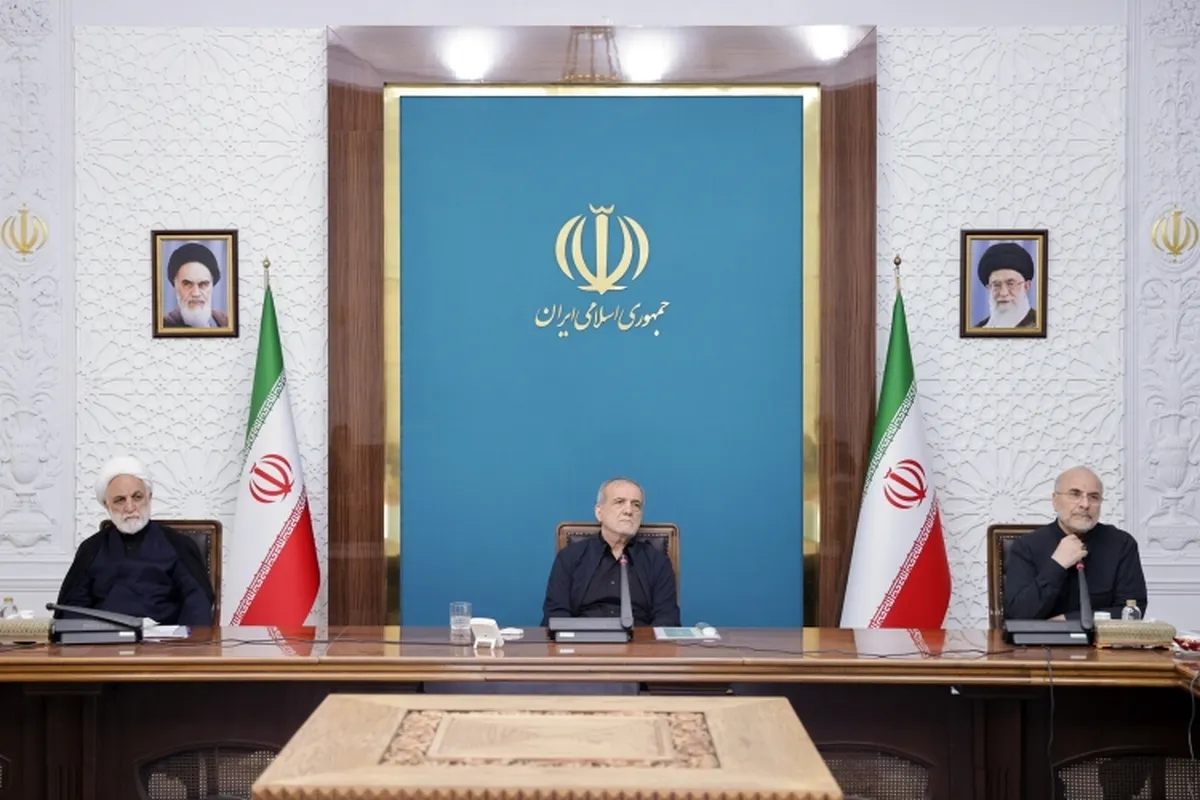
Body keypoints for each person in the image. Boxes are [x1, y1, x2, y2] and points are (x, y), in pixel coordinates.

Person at [55, 456, 215, 626]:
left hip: (164, 639)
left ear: (149, 497)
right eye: (120, 500)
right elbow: (72, 608)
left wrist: (183, 640)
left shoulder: (178, 545)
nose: (130, 507)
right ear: (106, 505)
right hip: (106, 639)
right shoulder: (91, 549)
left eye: (137, 497)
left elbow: (197, 602)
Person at [1003, 466, 1147, 621]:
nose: (1085, 504)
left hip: (1100, 637)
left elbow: (1132, 612)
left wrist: (1069, 620)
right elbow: (1017, 615)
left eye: (1093, 497)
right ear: (1055, 501)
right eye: (1075, 494)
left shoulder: (1121, 544)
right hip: (1044, 637)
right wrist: (1056, 566)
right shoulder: (1027, 546)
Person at [541, 477, 680, 627]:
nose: (629, 511)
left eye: (636, 505)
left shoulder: (657, 562)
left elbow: (667, 618)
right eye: (619, 502)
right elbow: (555, 615)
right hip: (584, 638)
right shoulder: (569, 557)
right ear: (599, 512)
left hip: (640, 639)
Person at [162, 241, 229, 328]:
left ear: (212, 286)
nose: (196, 293)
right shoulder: (163, 325)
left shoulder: (226, 323)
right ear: (175, 286)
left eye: (203, 284)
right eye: (187, 284)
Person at [974, 242, 1038, 329]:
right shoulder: (978, 329)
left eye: (1010, 284)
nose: (1003, 293)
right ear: (989, 288)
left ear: (1026, 286)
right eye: (996, 285)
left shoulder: (1041, 325)